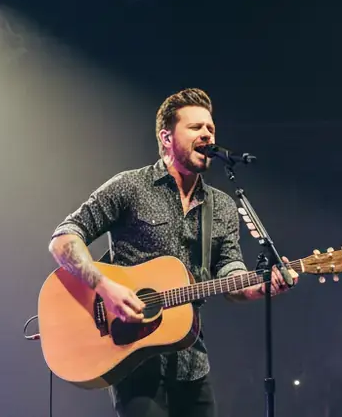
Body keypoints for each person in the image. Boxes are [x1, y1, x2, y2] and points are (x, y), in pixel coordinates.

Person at [48, 88, 298, 417]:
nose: (207, 134)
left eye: (210, 128)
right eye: (195, 127)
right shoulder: (130, 187)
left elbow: (230, 272)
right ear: (167, 138)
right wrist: (105, 287)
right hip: (133, 360)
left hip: (192, 360)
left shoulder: (222, 206)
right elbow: (64, 238)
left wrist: (259, 287)